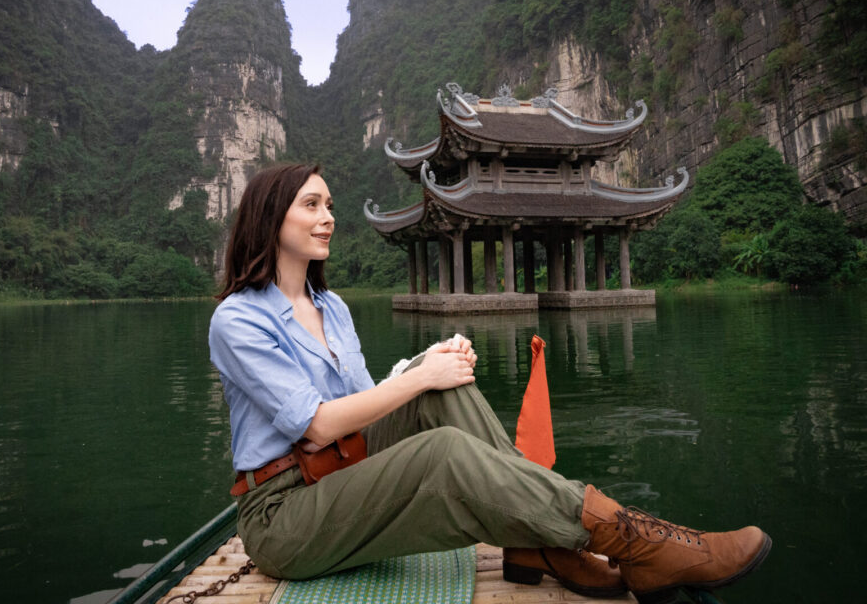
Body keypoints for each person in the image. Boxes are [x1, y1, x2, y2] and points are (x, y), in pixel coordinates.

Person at [208, 162, 770, 599]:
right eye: (311, 205)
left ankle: (533, 544)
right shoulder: (238, 319)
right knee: (442, 450)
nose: (329, 216)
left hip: (343, 467)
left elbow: (361, 404)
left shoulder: (332, 308)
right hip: (285, 514)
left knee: (444, 386)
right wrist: (417, 376)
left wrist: (428, 368)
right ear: (271, 217)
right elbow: (318, 422)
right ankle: (633, 536)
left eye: (329, 204)